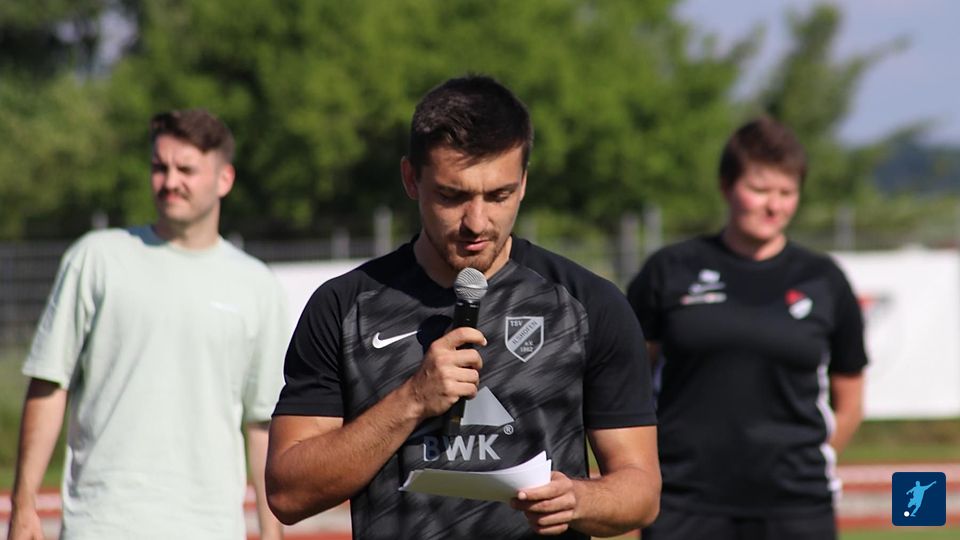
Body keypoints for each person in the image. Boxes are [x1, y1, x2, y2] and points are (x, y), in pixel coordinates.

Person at [265, 75, 661, 539]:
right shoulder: (344, 307)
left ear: (524, 182)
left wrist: (579, 499)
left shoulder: (588, 304)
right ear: (411, 179)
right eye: (452, 196)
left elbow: (642, 491)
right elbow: (288, 493)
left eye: (499, 195)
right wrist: (412, 400)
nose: (477, 221)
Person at [7, 109, 288, 540]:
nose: (169, 181)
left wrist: (272, 531)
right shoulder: (96, 258)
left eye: (186, 170)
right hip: (101, 525)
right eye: (159, 167)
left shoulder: (257, 285)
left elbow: (262, 423)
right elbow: (49, 383)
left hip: (210, 528)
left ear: (224, 179)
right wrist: (23, 503)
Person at [626, 116, 868, 540]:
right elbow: (629, 382)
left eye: (787, 193)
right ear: (726, 186)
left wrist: (816, 458)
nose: (774, 206)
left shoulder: (824, 279)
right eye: (759, 190)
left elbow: (850, 397)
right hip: (683, 501)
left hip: (797, 504)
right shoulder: (671, 269)